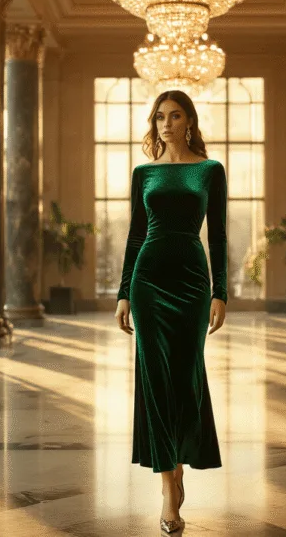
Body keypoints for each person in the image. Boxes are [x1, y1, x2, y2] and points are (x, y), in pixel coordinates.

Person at [114, 90, 228, 533]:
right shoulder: (143, 173)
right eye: (159, 116)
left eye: (175, 115)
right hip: (148, 282)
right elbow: (134, 236)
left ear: (189, 121)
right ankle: (168, 485)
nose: (166, 123)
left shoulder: (209, 171)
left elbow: (216, 235)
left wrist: (221, 292)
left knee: (185, 377)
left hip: (193, 283)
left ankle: (181, 459)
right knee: (155, 380)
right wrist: (124, 292)